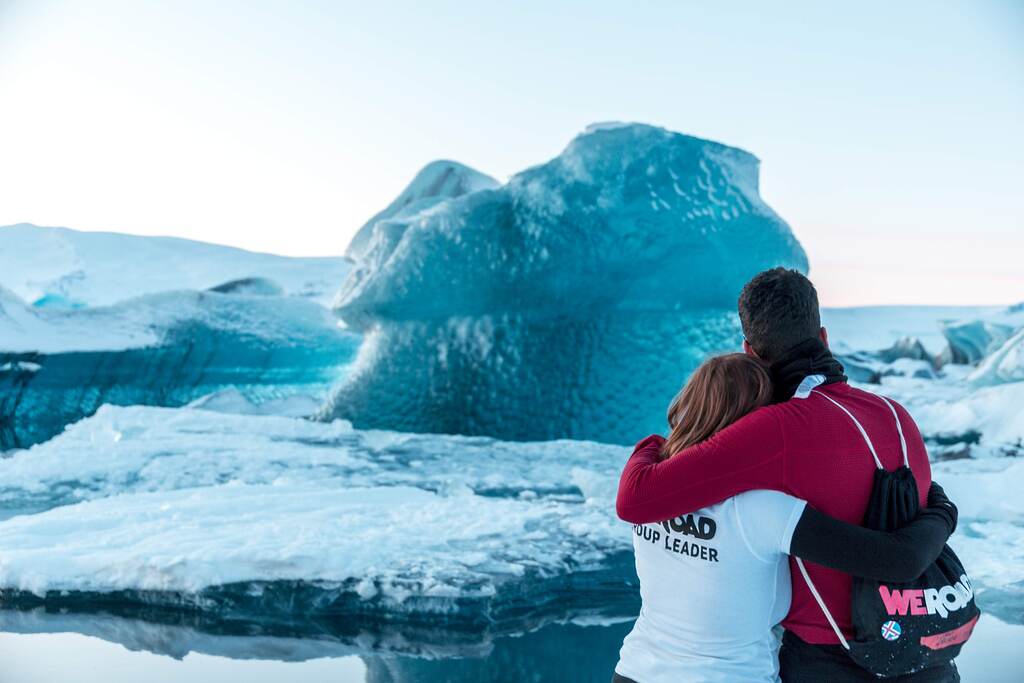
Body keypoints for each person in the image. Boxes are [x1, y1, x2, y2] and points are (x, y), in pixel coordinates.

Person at [616, 268, 960, 682]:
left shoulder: (777, 428)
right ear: (824, 337)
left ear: (750, 351)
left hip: (832, 663)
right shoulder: (895, 413)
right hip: (924, 652)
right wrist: (944, 512)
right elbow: (919, 506)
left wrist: (655, 442)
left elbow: (638, 498)